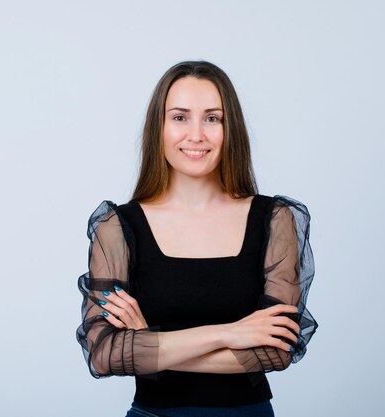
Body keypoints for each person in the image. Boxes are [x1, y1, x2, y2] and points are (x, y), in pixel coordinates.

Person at [76, 60, 317, 417]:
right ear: (158, 128)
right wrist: (229, 334)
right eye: (179, 117)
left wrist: (150, 346)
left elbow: (275, 351)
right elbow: (105, 354)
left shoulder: (275, 220)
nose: (196, 134)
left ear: (229, 128)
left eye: (212, 118)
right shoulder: (118, 227)